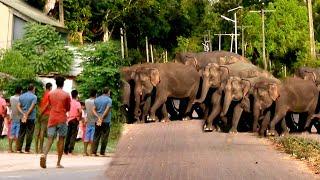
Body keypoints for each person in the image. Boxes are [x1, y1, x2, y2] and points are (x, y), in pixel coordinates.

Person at [40, 76, 71, 169]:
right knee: (61, 139)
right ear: (63, 84)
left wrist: (41, 114)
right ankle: (58, 163)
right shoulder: (66, 94)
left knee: (50, 139)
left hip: (52, 118)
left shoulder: (50, 93)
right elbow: (68, 108)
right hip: (62, 118)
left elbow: (48, 105)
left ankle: (44, 155)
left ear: (56, 83)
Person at [92, 87, 112, 156]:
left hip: (97, 120)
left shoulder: (97, 99)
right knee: (105, 136)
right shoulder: (109, 100)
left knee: (96, 135)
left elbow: (93, 109)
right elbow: (107, 109)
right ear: (108, 92)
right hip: (106, 121)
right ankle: (102, 152)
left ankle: (93, 152)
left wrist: (98, 117)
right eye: (109, 92)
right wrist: (102, 118)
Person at [17, 84, 37, 153]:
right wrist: (27, 114)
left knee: (21, 132)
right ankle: (27, 149)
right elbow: (32, 107)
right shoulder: (34, 97)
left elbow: (18, 106)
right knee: (29, 133)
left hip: (22, 117)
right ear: (33, 89)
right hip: (31, 118)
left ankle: (18, 149)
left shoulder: (21, 96)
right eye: (34, 89)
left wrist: (23, 114)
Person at [35, 83, 52, 154]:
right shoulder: (50, 94)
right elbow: (47, 104)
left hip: (40, 113)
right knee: (42, 131)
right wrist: (42, 112)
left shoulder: (43, 94)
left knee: (37, 131)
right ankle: (40, 149)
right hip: (46, 114)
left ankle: (36, 149)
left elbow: (40, 104)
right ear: (50, 87)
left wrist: (39, 112)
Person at [64, 90, 82, 155]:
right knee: (73, 135)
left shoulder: (69, 102)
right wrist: (79, 117)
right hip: (75, 119)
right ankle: (71, 150)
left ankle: (65, 150)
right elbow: (80, 111)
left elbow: (66, 110)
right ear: (77, 95)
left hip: (69, 120)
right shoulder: (78, 103)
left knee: (68, 135)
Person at [83, 89, 99, 156]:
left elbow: (86, 110)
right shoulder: (96, 101)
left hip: (88, 120)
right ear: (95, 94)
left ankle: (85, 151)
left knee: (87, 136)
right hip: (95, 121)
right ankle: (91, 151)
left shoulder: (86, 101)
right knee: (93, 137)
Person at [8, 86, 23, 152]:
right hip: (19, 117)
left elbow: (11, 107)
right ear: (20, 91)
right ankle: (16, 148)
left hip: (13, 117)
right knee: (18, 134)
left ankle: (10, 149)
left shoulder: (11, 98)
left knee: (12, 134)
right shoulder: (20, 98)